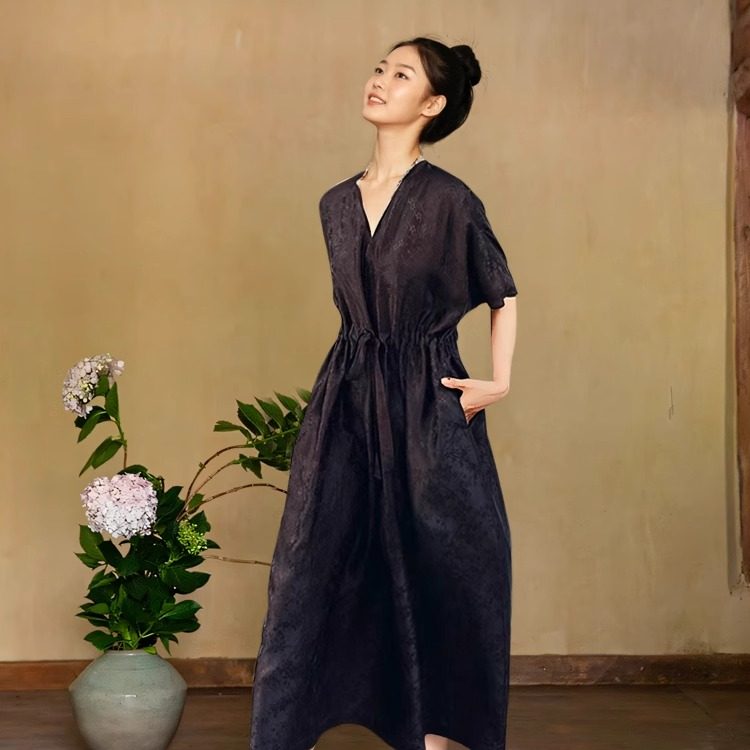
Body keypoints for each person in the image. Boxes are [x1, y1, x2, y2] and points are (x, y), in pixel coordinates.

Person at [248, 35, 519, 750]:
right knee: (317, 560)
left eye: (401, 75)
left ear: (432, 104)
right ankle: (296, 725)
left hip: (429, 401)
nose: (380, 81)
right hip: (346, 401)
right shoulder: (335, 204)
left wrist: (498, 381)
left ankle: (440, 731)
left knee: (449, 561)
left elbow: (502, 292)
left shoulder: (450, 199)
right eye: (380, 68)